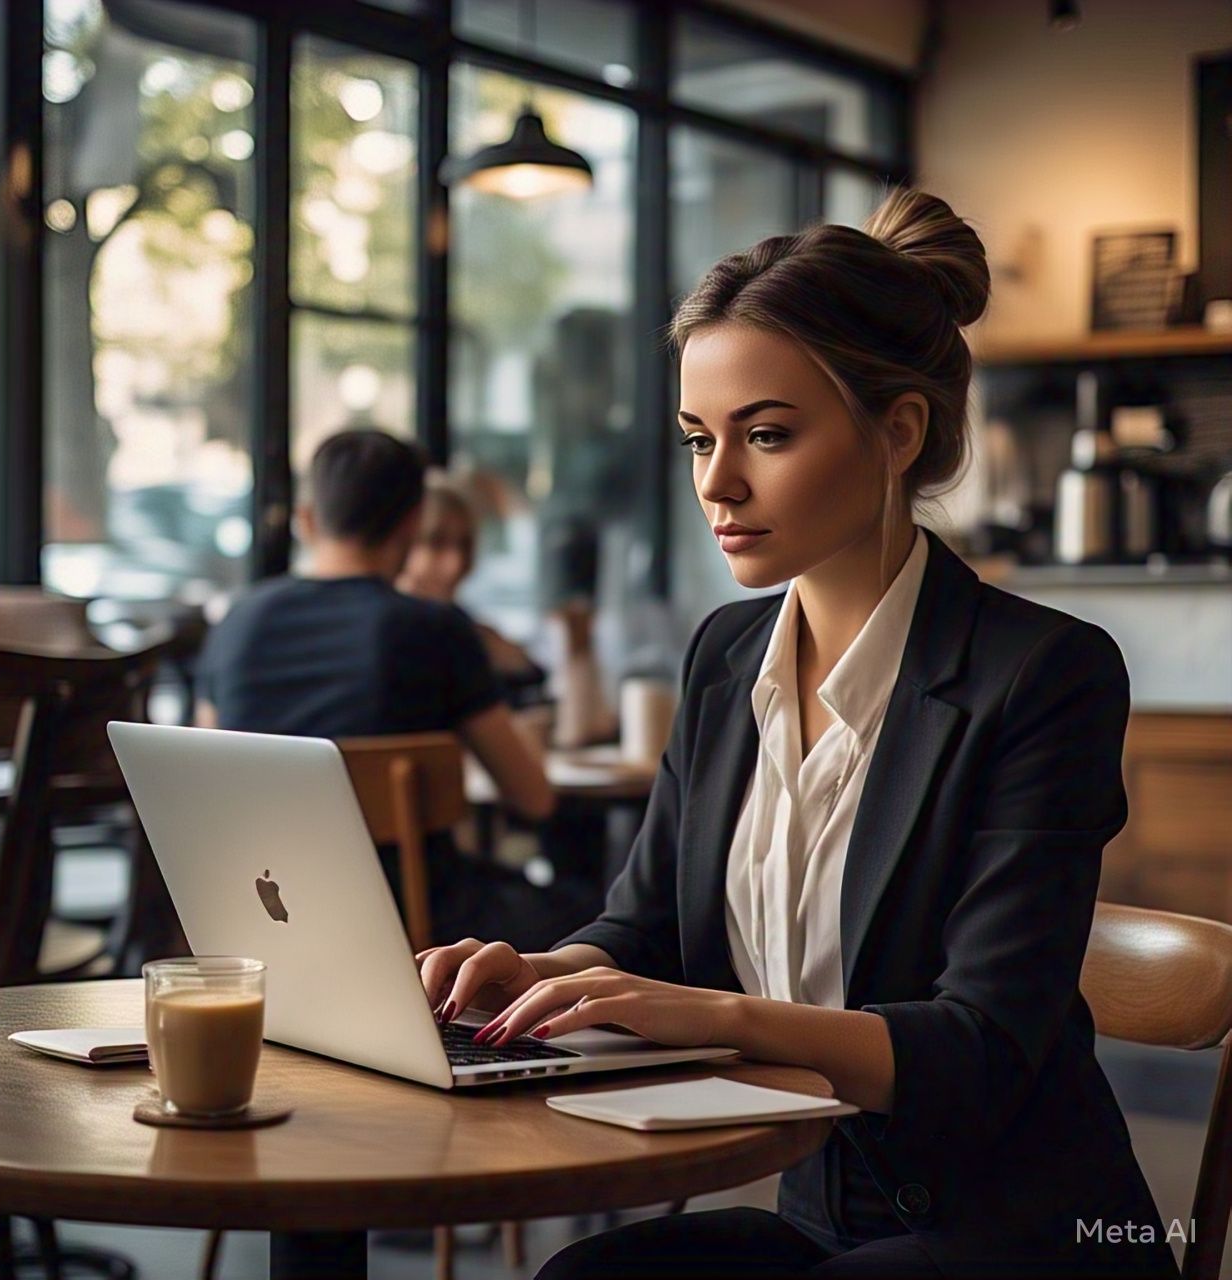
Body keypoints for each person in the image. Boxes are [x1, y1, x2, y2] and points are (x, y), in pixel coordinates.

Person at [414, 190, 1179, 1279]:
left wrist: (709, 1011)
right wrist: (541, 973)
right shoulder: (725, 656)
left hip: (1021, 1229)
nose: (715, 484)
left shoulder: (1040, 674)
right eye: (696, 439)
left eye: (764, 434)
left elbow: (977, 1048)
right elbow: (646, 932)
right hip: (828, 1214)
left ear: (896, 430)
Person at [194, 429, 588, 952]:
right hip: (420, 928)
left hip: (266, 919)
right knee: (592, 915)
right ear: (410, 523)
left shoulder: (237, 623)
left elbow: (203, 777)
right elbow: (533, 799)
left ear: (308, 519)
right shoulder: (435, 629)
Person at [397, 473, 616, 746]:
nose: (455, 562)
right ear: (400, 546)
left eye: (465, 545)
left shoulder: (480, 636)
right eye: (435, 542)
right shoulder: (406, 642)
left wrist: (578, 644)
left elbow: (576, 732)